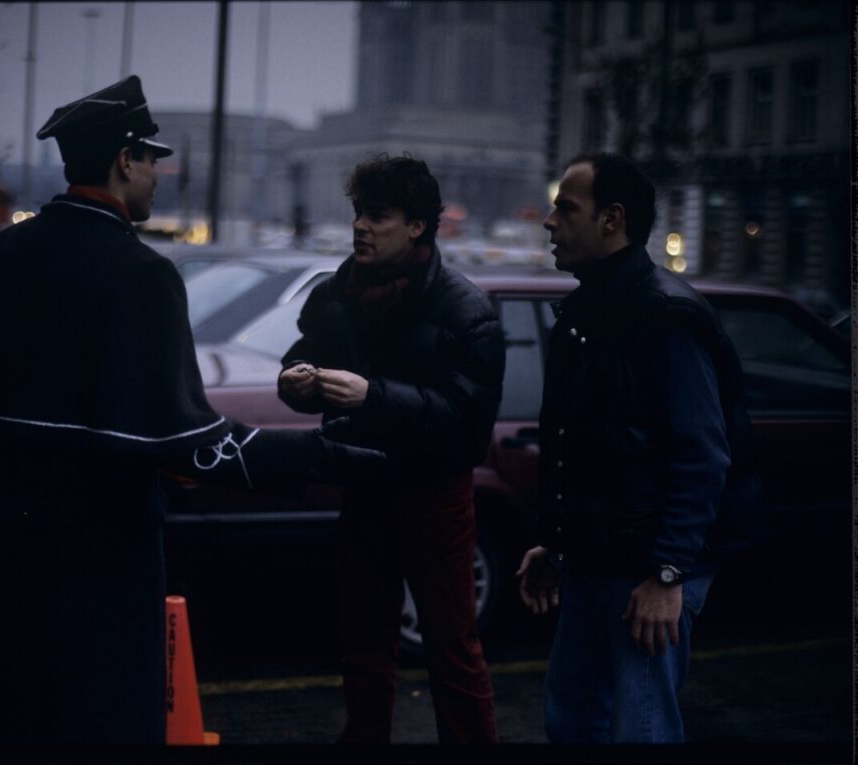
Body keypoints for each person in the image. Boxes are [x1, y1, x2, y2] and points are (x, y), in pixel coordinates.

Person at [0, 75, 383, 745]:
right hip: (100, 563)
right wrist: (320, 455)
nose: (161, 172)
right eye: (153, 158)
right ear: (124, 159)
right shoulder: (142, 276)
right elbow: (190, 442)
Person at [516, 153, 761, 743]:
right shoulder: (586, 310)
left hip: (648, 572)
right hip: (593, 562)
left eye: (565, 208)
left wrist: (669, 575)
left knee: (641, 728)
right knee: (572, 720)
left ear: (611, 219)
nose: (550, 222)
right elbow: (580, 443)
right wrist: (554, 542)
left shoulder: (666, 315)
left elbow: (703, 457)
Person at [277, 155, 504, 744]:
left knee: (451, 650)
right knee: (363, 646)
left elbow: (466, 427)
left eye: (378, 216)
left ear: (417, 226)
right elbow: (302, 357)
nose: (361, 228)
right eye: (358, 213)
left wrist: (372, 397)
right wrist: (295, 381)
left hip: (436, 496)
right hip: (364, 489)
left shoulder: (464, 309)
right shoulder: (338, 292)